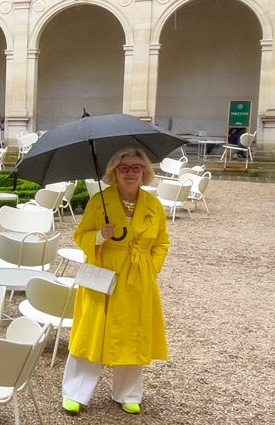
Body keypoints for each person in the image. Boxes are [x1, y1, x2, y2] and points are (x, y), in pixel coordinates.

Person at [62, 148, 169, 416]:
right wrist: (99, 235)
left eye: (136, 167)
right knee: (92, 331)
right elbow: (80, 234)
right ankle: (75, 393)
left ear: (145, 172)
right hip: (103, 273)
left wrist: (150, 268)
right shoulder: (100, 201)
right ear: (114, 172)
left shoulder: (153, 204)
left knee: (133, 335)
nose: (130, 173)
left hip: (138, 278)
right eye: (124, 168)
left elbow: (162, 242)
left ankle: (128, 393)